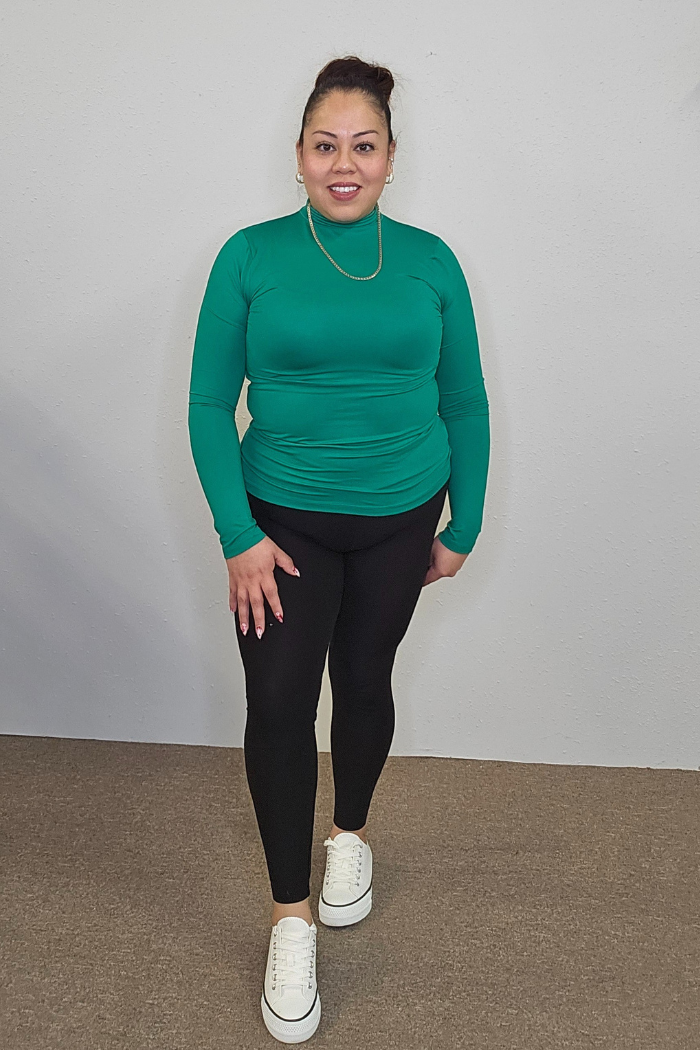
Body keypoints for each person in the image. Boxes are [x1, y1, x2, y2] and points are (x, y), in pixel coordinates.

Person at [187, 55, 490, 1044]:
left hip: (404, 516)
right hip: (283, 525)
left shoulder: (432, 261)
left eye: (364, 146)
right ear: (300, 156)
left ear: (391, 158)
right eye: (326, 146)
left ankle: (348, 835)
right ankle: (290, 916)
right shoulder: (250, 256)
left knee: (364, 681)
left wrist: (464, 521)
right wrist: (238, 535)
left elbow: (463, 400)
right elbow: (204, 405)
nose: (344, 163)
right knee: (278, 701)